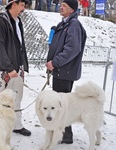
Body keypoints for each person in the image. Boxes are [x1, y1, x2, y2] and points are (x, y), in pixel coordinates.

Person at [46, 0, 87, 144]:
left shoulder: (73, 25)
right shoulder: (65, 24)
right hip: (61, 71)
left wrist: (55, 62)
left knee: (62, 105)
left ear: (72, 10)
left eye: (64, 5)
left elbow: (72, 49)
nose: (61, 7)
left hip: (65, 72)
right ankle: (63, 133)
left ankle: (64, 135)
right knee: (61, 104)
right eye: (61, 4)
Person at [0, 0, 31, 136]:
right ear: (13, 4)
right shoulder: (0, 22)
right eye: (22, 5)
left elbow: (21, 45)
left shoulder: (18, 22)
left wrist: (22, 65)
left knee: (17, 97)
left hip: (18, 66)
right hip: (5, 68)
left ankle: (17, 125)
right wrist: (9, 68)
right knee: (0, 98)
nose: (23, 9)